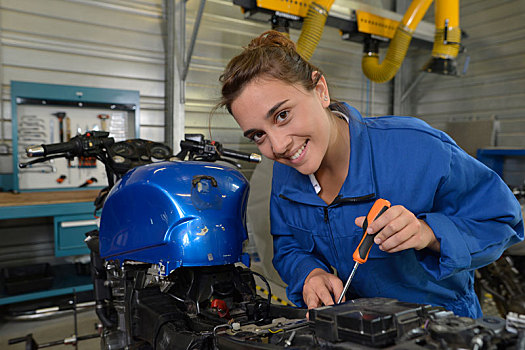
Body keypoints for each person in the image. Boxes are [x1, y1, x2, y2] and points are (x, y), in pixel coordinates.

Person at [217, 30, 524, 318]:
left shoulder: (417, 147)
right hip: (355, 329)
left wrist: (427, 233)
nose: (278, 146)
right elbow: (288, 247)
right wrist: (310, 273)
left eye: (282, 115)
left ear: (320, 90)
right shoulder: (286, 172)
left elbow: (501, 220)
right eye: (258, 135)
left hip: (440, 329)